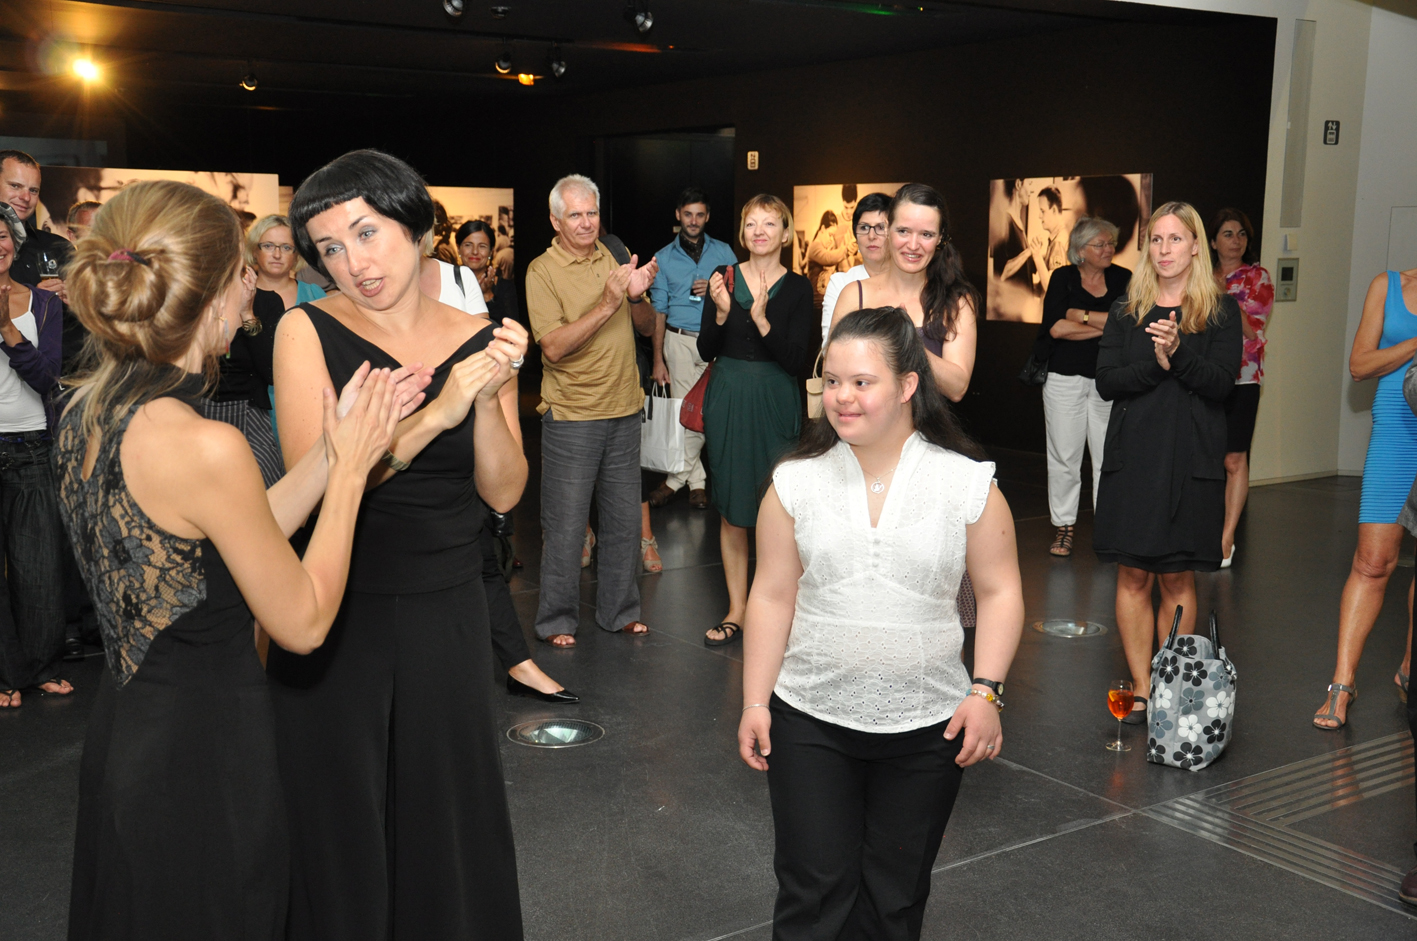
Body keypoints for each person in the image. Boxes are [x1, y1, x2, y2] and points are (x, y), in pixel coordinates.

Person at [54, 178, 404, 937]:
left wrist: (332, 448)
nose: (252, 285)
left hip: (129, 734)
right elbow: (303, 622)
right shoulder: (203, 442)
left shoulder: (89, 410)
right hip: (205, 753)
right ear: (212, 296)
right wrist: (351, 475)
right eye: (243, 270)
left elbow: (225, 537)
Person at [271, 149, 530, 939]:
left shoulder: (481, 336)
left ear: (416, 228)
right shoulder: (304, 330)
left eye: (366, 232)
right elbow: (317, 486)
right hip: (338, 600)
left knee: (445, 809)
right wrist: (437, 411)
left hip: (446, 602)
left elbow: (504, 491)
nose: (353, 262)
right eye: (331, 247)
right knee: (337, 812)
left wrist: (483, 400)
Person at [737, 306, 1023, 941]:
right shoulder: (794, 483)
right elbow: (772, 595)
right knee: (812, 895)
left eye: (862, 382)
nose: (842, 396)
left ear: (908, 386)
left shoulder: (966, 484)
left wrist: (986, 692)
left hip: (928, 724)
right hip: (809, 717)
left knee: (895, 900)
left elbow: (1001, 592)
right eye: (832, 381)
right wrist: (756, 702)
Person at [1093, 201, 1241, 723]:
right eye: (1156, 239)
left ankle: (1167, 684)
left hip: (1191, 459)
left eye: (1175, 239)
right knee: (1133, 575)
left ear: (1196, 246)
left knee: (1177, 578)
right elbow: (1107, 381)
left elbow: (1221, 384)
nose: (1164, 249)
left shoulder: (1220, 311)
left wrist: (1178, 353)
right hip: (1134, 459)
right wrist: (1157, 366)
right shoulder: (1126, 310)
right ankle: (1141, 687)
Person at [525, 174, 658, 648]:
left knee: (623, 522)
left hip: (624, 408)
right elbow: (553, 347)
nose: (586, 223)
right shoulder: (542, 271)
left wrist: (636, 296)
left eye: (592, 213)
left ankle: (619, 612)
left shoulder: (614, 256)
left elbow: (646, 328)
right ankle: (556, 620)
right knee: (565, 527)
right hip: (572, 414)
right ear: (555, 221)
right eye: (575, 215)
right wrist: (607, 303)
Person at [699, 194, 813, 647]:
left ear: (785, 233)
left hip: (775, 398)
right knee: (732, 506)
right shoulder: (722, 277)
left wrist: (763, 320)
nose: (760, 231)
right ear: (742, 232)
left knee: (778, 509)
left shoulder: (799, 288)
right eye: (751, 223)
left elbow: (796, 361)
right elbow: (706, 349)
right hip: (728, 396)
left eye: (770, 223)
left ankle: (778, 608)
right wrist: (722, 312)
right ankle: (737, 610)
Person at [1313, 265, 1417, 729]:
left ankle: (1410, 667)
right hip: (1397, 432)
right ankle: (1342, 683)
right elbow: (1360, 365)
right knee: (1372, 562)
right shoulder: (1389, 285)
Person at [0, 202, 68, 708]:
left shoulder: (44, 303)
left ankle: (41, 667)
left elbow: (48, 378)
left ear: (15, 243)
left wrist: (8, 330)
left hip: (30, 444)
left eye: (2, 236)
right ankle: (5, 674)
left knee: (38, 567)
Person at [1034, 216, 1131, 557]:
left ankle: (1107, 527)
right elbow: (1056, 329)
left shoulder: (1123, 278)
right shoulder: (1063, 278)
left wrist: (1081, 316)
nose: (1108, 249)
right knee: (1064, 456)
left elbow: (1128, 326)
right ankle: (1064, 526)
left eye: (1110, 243)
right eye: (1100, 244)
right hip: (1064, 378)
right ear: (1080, 250)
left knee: (1108, 457)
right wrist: (1107, 326)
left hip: (1109, 380)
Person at [830, 183, 978, 403]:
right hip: (864, 424)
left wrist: (908, 341)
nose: (913, 245)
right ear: (887, 230)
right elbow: (832, 374)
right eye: (903, 231)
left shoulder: (957, 302)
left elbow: (957, 388)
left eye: (926, 234)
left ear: (939, 238)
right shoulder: (853, 295)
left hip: (929, 425)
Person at [645, 186, 739, 510]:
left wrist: (716, 291)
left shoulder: (724, 252)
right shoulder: (662, 258)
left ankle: (676, 481)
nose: (694, 220)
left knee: (707, 414)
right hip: (680, 342)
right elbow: (658, 312)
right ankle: (697, 484)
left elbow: (740, 296)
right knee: (689, 415)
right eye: (688, 214)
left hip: (717, 342)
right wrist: (658, 360)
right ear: (678, 215)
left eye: (700, 214)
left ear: (707, 216)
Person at [1210, 208, 1274, 568]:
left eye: (1242, 234)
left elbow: (1253, 329)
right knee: (1204, 456)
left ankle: (1226, 537)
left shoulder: (1257, 277)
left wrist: (1221, 296)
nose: (1236, 240)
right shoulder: (1198, 274)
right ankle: (1200, 528)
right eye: (1228, 234)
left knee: (1233, 458)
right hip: (1204, 375)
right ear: (1213, 241)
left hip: (1243, 379)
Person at [819, 191, 892, 348]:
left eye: (880, 227)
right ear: (855, 235)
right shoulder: (840, 283)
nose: (871, 236)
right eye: (864, 227)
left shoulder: (907, 281)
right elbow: (829, 348)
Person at [249, 213, 326, 312]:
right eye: (268, 246)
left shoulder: (314, 294)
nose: (277, 255)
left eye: (286, 247)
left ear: (296, 255)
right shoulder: (239, 293)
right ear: (254, 251)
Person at [458, 219, 521, 326]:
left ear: (491, 252)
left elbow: (510, 328)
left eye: (482, 246)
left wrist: (487, 295)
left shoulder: (505, 288)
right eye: (468, 245)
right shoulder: (446, 283)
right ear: (458, 249)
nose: (475, 251)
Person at [1029, 185, 1069, 294]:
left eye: (1042, 211)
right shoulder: (1059, 238)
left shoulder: (1058, 242)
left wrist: (1037, 256)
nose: (1039, 216)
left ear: (1054, 210)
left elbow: (1052, 287)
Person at [805, 209, 847, 309]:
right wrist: (846, 249)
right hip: (816, 304)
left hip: (825, 302)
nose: (831, 239)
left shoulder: (825, 248)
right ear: (823, 228)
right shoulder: (814, 247)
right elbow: (828, 258)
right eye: (830, 235)